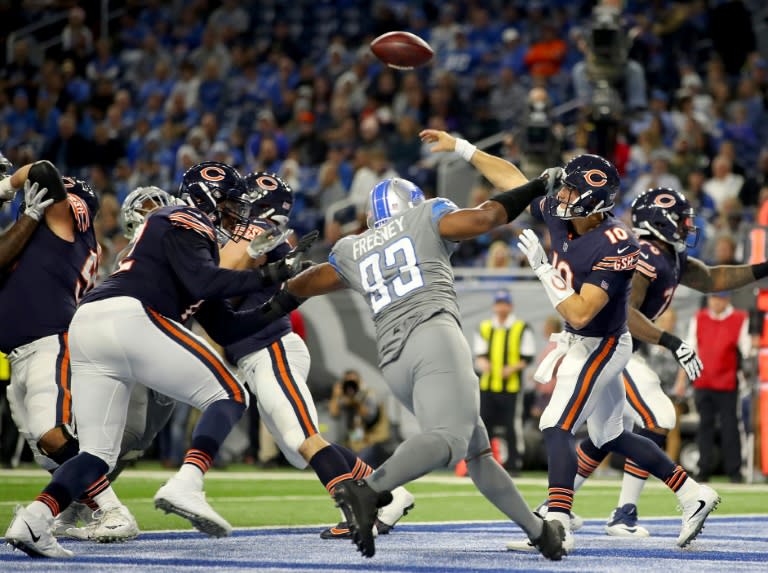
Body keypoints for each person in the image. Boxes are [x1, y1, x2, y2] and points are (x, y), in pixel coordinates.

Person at [418, 130, 719, 551]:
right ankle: (693, 493)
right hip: (582, 340)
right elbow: (513, 181)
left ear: (595, 202)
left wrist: (543, 270)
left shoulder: (619, 245)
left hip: (603, 344)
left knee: (555, 423)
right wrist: (463, 148)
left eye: (572, 190)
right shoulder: (564, 214)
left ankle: (555, 519)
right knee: (609, 434)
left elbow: (580, 311)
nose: (561, 196)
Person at [4, 161, 311, 558]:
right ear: (209, 197)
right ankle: (187, 483)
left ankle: (34, 520)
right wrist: (271, 275)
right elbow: (205, 282)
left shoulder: (188, 244)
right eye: (231, 204)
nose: (236, 215)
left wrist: (287, 296)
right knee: (232, 395)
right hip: (129, 316)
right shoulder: (182, 217)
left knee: (97, 454)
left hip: (92, 327)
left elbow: (227, 327)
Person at [281, 171, 568, 559]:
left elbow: (306, 284)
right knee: (449, 440)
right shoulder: (425, 215)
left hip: (395, 362)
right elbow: (486, 218)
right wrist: (536, 187)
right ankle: (369, 491)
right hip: (433, 337)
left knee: (477, 452)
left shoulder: (353, 247)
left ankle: (539, 532)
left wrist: (271, 285)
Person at [533, 187, 768, 537]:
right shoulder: (644, 254)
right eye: (681, 220)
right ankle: (632, 508)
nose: (687, 226)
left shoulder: (667, 256)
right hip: (610, 346)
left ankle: (565, 509)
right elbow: (625, 313)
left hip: (617, 349)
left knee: (605, 433)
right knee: (652, 418)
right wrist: (672, 341)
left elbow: (715, 278)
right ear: (660, 221)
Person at [218, 172, 414, 541]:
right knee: (299, 448)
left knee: (303, 437)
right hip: (257, 353)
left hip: (270, 349)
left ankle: (354, 508)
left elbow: (223, 291)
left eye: (243, 200)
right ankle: (390, 493)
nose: (234, 207)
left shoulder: (258, 239)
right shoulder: (254, 240)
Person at [0, 160, 139, 544]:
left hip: (49, 340)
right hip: (23, 349)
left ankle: (113, 511)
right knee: (43, 447)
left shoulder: (67, 221)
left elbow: (43, 171)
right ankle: (76, 506)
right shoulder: (45, 239)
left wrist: (7, 186)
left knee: (52, 434)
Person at [676, 291, 751, 483]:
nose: (715, 302)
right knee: (704, 428)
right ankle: (703, 470)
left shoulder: (740, 319)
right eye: (712, 298)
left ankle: (735, 471)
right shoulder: (699, 318)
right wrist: (682, 380)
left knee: (730, 427)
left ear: (727, 300)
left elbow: (747, 350)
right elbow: (691, 349)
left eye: (719, 299)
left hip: (728, 383)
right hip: (704, 382)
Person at [472, 289, 535, 474]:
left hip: (511, 387)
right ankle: (483, 462)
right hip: (488, 385)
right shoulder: (484, 327)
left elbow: (528, 356)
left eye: (504, 304)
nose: (501, 308)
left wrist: (512, 368)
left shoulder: (520, 327)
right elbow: (479, 354)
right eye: (498, 304)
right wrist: (483, 363)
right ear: (494, 306)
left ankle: (514, 462)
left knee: (511, 426)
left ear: (510, 306)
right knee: (485, 424)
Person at [328, 369, 391, 468]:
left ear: (360, 382)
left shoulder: (369, 394)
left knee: (359, 464)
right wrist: (335, 395)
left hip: (372, 440)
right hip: (353, 442)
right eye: (347, 382)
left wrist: (357, 400)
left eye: (354, 382)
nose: (351, 386)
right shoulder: (345, 397)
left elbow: (370, 418)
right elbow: (334, 414)